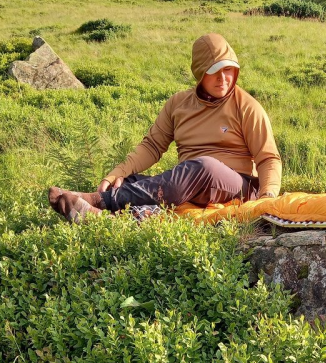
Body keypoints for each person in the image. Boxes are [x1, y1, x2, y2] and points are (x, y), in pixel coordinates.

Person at [49, 33, 282, 222]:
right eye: (214, 71)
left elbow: (268, 158)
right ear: (200, 73)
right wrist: (119, 172)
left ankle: (100, 201)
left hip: (236, 185)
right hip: (191, 185)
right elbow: (152, 146)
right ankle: (104, 219)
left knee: (205, 166)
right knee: (129, 182)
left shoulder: (247, 107)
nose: (223, 78)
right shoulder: (178, 104)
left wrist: (267, 197)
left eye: (228, 70)